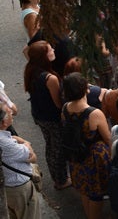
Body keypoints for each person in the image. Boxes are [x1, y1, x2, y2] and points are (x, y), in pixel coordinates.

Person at [61, 73, 111, 219]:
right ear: (85, 90)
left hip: (76, 155)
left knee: (84, 190)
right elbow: (108, 138)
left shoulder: (65, 108)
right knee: (96, 193)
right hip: (94, 157)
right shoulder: (94, 114)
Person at [24, 41, 70, 190]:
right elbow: (58, 103)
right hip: (52, 118)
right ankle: (61, 180)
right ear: (44, 56)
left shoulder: (31, 71)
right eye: (50, 50)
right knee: (58, 148)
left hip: (39, 115)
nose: (53, 51)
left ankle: (56, 175)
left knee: (50, 145)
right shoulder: (50, 78)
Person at [1, 106, 42, 219]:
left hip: (6, 186)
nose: (12, 114)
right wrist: (25, 142)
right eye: (9, 113)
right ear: (3, 122)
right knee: (30, 214)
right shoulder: (8, 144)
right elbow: (32, 157)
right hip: (18, 188)